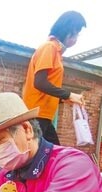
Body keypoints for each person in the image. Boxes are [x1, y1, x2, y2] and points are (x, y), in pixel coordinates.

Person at [23, 11, 86, 145]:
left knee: (52, 156)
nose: (76, 39)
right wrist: (68, 94)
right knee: (46, 157)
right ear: (68, 31)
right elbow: (39, 82)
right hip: (36, 116)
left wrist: (65, 99)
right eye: (76, 34)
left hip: (43, 117)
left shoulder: (56, 52)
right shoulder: (49, 47)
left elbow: (47, 88)